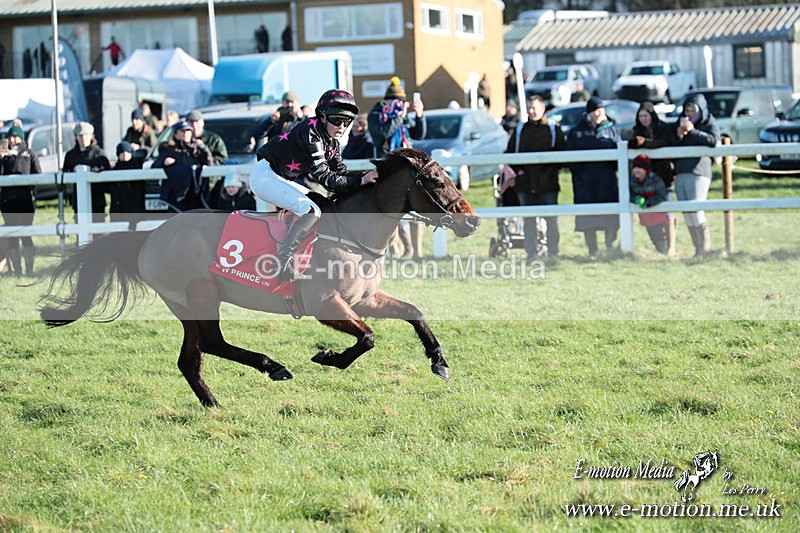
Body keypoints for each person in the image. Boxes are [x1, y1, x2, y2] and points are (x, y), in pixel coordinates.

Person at [250, 89, 378, 279]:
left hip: (280, 178)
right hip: (265, 177)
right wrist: (361, 180)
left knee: (321, 205)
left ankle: (310, 258)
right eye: (336, 120)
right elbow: (325, 177)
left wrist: (366, 176)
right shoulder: (311, 130)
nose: (341, 126)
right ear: (323, 117)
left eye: (346, 121)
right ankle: (281, 263)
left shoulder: (332, 142)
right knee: (311, 211)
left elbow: (340, 173)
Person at [368, 77, 427, 259]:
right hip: (387, 171)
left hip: (406, 169)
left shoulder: (400, 115)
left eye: (401, 102)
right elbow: (384, 133)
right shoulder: (376, 115)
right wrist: (400, 116)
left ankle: (416, 251)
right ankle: (399, 250)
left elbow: (419, 134)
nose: (398, 104)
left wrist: (419, 116)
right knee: (390, 212)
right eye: (394, 101)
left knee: (415, 207)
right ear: (385, 100)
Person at [506, 95, 565, 258]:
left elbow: (562, 154)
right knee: (529, 221)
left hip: (548, 183)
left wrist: (550, 171)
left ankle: (553, 252)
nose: (531, 111)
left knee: (551, 220)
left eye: (534, 108)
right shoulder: (520, 130)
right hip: (525, 183)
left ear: (543, 109)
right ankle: (531, 253)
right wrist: (519, 171)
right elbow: (509, 154)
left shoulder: (554, 129)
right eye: (529, 108)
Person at [566, 97, 621, 258]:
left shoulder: (612, 130)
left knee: (611, 217)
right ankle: (592, 251)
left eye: (600, 110)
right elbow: (570, 159)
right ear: (588, 112)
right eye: (595, 110)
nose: (598, 113)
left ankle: (610, 248)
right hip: (585, 183)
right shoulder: (576, 132)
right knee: (588, 219)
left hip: (607, 181)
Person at [671, 94, 720, 257]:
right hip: (681, 171)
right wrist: (678, 134)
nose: (690, 113)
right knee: (687, 213)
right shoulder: (681, 122)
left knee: (696, 210)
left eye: (693, 110)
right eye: (688, 110)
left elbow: (713, 141)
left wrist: (692, 132)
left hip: (699, 171)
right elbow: (672, 143)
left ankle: (704, 249)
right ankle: (697, 249)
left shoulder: (708, 122)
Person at [629, 101, 677, 257]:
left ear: (652, 115)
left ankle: (671, 248)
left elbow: (664, 143)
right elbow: (632, 145)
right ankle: (660, 248)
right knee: (649, 214)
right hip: (645, 179)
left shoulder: (663, 128)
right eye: (640, 116)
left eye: (646, 115)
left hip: (664, 176)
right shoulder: (636, 130)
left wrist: (645, 143)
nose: (643, 119)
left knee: (667, 213)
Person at [0, 124, 40, 276]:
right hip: (8, 202)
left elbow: (38, 174)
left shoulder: (29, 154)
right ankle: (17, 270)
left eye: (15, 136)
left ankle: (29, 269)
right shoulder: (3, 155)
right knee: (12, 236)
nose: (12, 139)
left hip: (25, 201)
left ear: (21, 138)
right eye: (10, 136)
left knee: (26, 234)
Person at [151, 121, 213, 211]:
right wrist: (164, 162)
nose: (186, 134)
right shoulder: (168, 150)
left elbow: (209, 164)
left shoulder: (196, 149)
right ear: (176, 134)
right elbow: (154, 167)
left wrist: (204, 148)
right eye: (183, 131)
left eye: (188, 131)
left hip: (195, 196)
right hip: (176, 197)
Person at [63, 122, 110, 223]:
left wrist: (98, 170)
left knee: (99, 235)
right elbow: (65, 174)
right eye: (80, 135)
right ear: (76, 137)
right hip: (79, 201)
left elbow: (108, 174)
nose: (83, 138)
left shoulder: (99, 154)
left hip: (97, 201)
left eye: (86, 135)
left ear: (91, 136)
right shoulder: (70, 156)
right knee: (80, 233)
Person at [629, 154, 669, 254]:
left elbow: (662, 195)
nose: (637, 170)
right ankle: (659, 250)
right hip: (645, 214)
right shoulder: (632, 181)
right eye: (635, 168)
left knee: (658, 233)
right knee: (651, 232)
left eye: (640, 168)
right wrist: (637, 199)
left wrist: (648, 202)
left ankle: (663, 251)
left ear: (646, 169)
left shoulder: (655, 179)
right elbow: (630, 195)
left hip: (656, 211)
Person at [109, 141, 146, 230]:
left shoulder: (138, 169)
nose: (125, 154)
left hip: (133, 209)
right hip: (118, 211)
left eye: (127, 151)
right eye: (122, 152)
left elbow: (139, 194)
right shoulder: (114, 171)